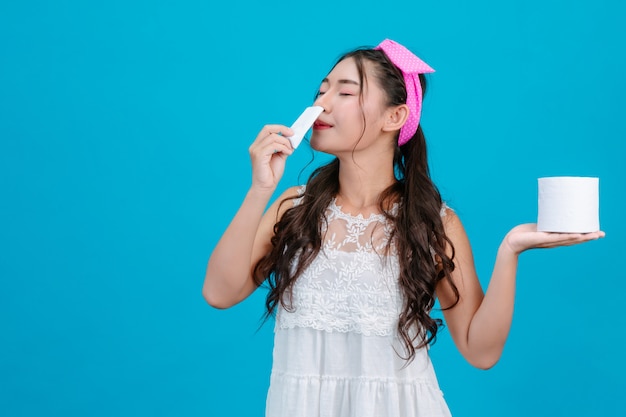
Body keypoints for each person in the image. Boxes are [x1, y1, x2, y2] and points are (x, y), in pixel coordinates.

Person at [202, 39, 604, 417]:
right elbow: (218, 293)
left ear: (395, 117)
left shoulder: (432, 224)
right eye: (321, 91)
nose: (322, 103)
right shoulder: (293, 206)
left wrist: (510, 250)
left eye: (344, 92)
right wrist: (260, 189)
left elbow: (480, 352)